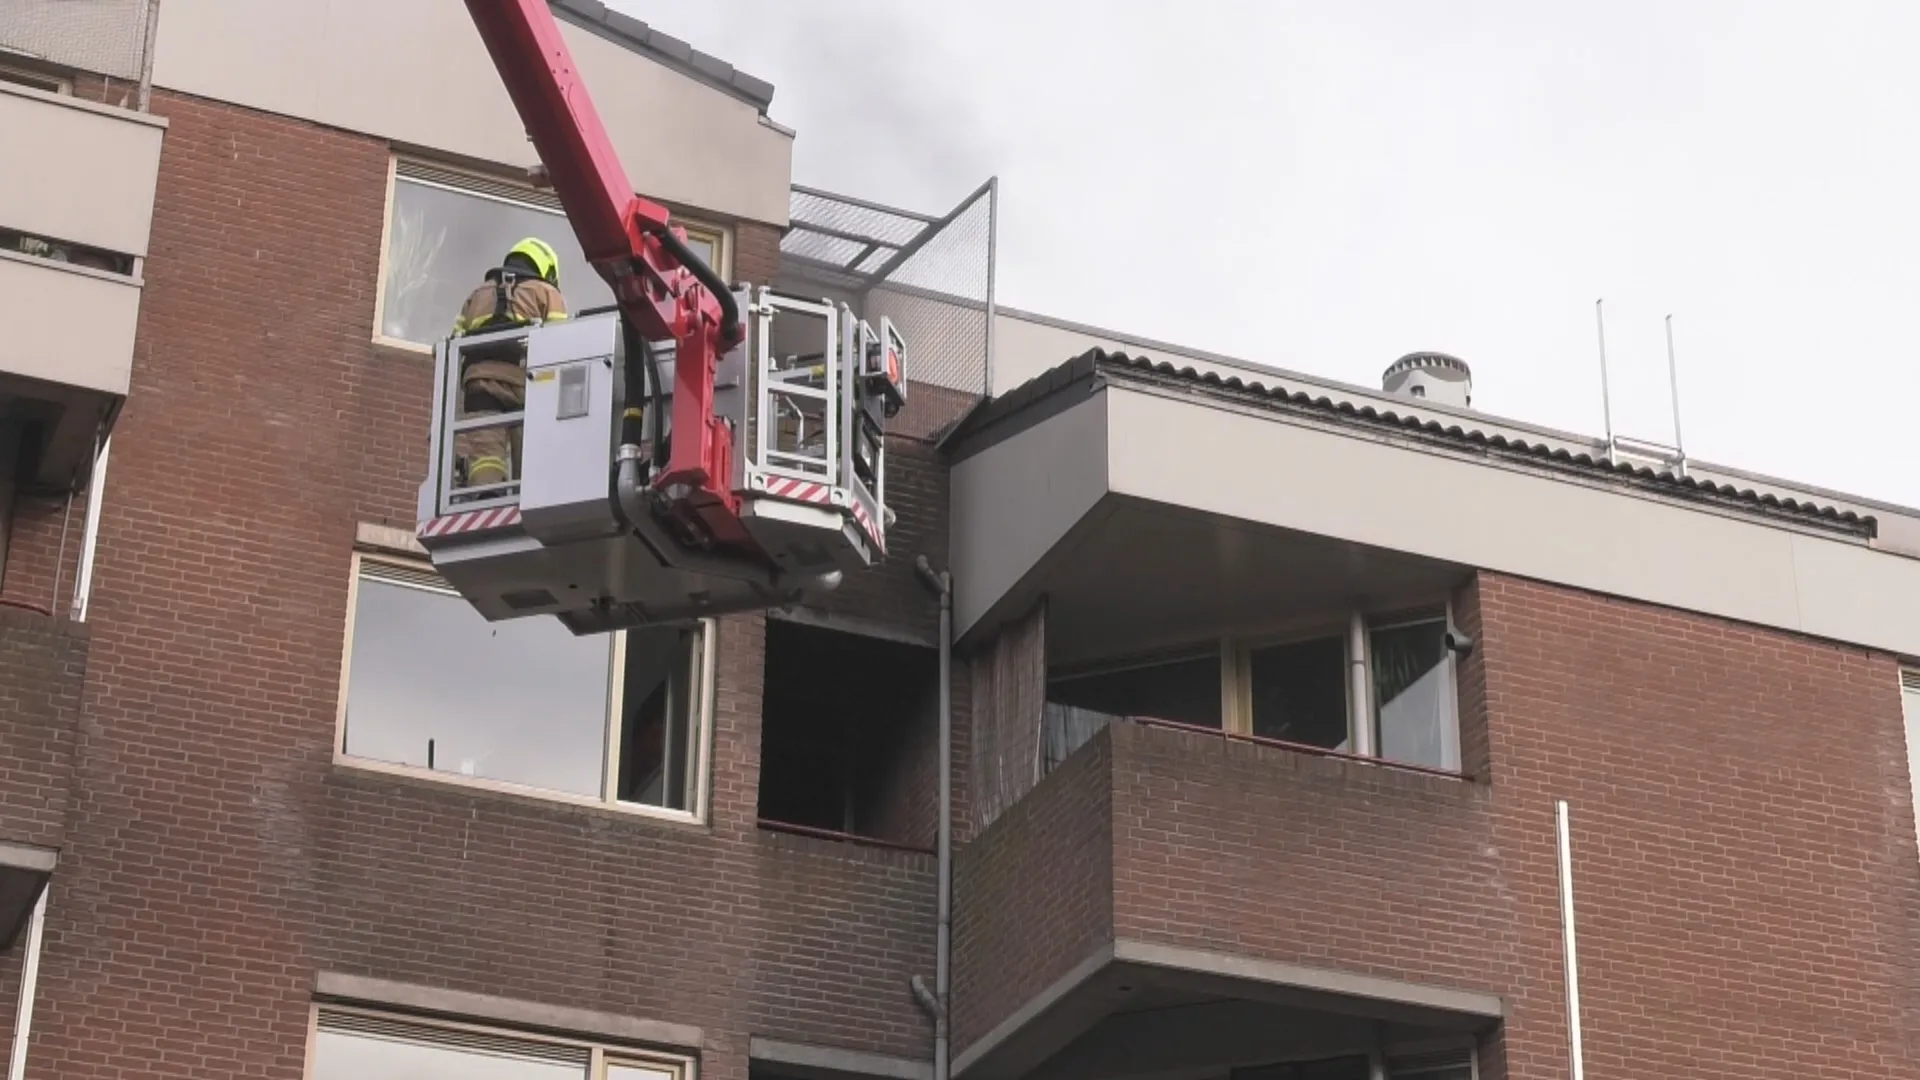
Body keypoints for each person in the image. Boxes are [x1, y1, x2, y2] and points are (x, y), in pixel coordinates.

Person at [450, 237, 569, 488]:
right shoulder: (547, 293)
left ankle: (486, 494)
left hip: (479, 383)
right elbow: (562, 343)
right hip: (524, 385)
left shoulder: (477, 294)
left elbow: (453, 341)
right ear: (545, 268)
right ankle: (529, 494)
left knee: (486, 454)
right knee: (529, 451)